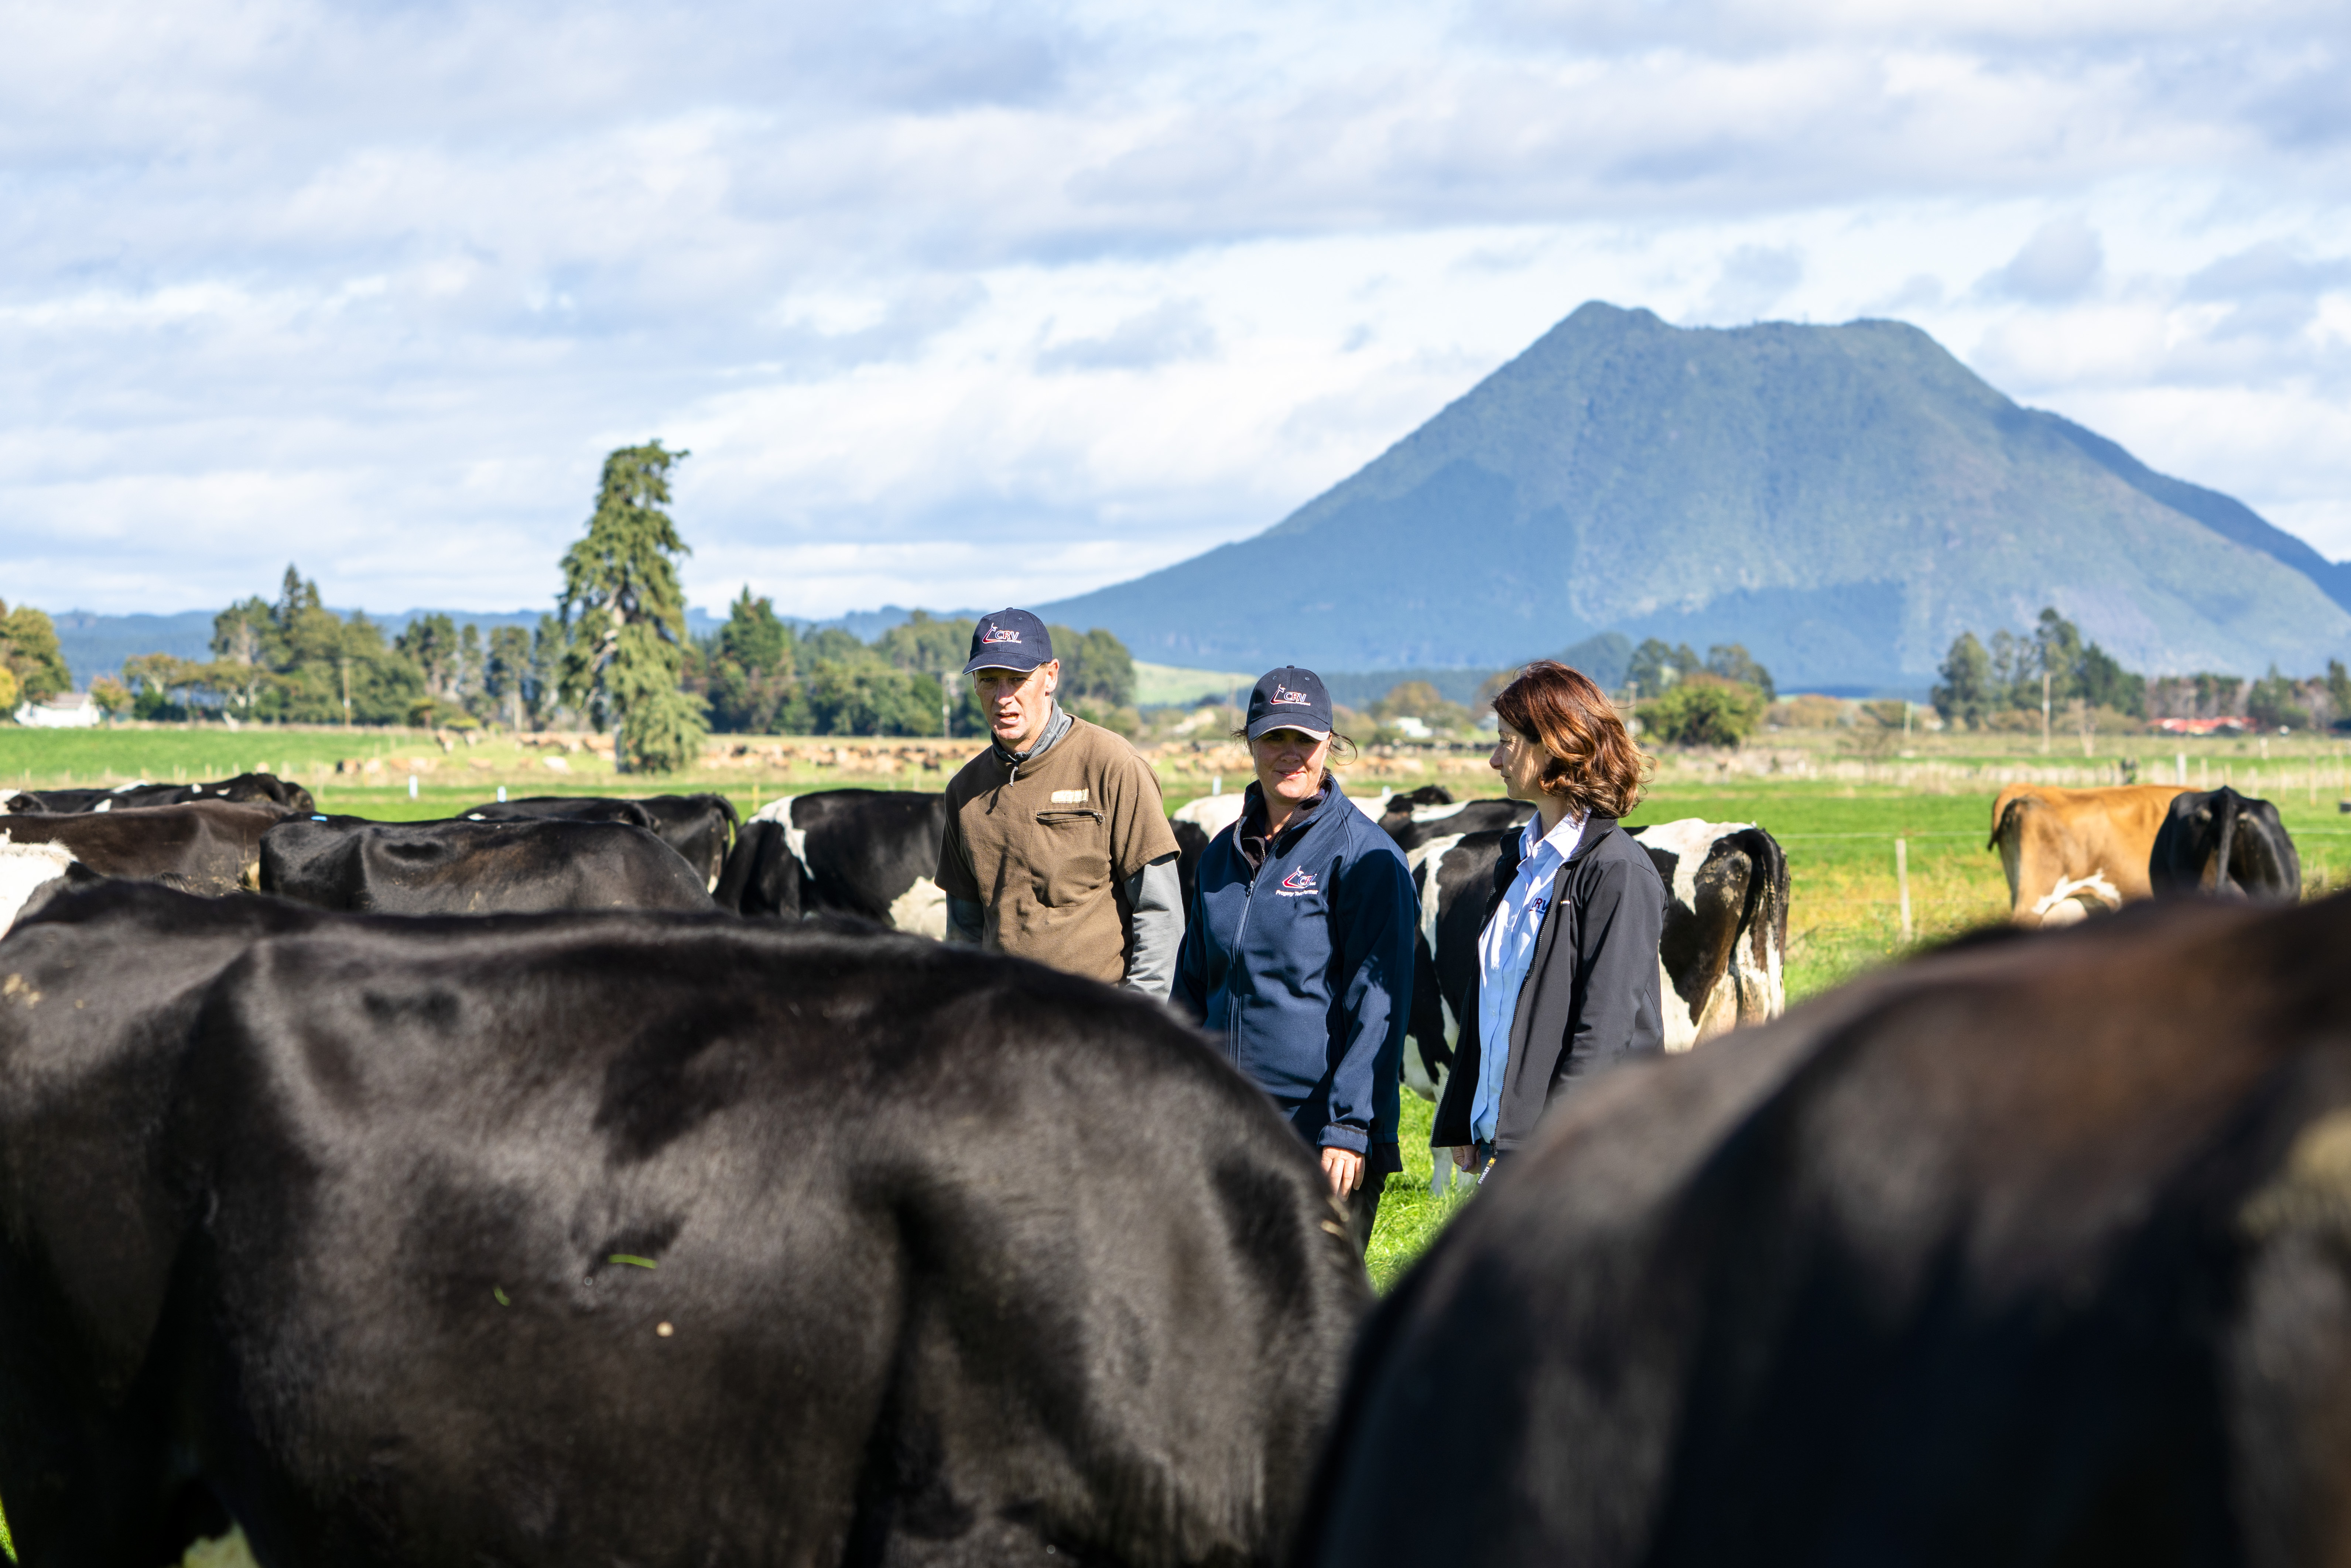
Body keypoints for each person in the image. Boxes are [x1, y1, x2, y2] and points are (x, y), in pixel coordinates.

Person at [1173, 666, 1417, 1252]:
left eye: (1304, 740)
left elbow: (1379, 1006)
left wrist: (1349, 1125)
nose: (1290, 754)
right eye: (1274, 738)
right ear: (1249, 742)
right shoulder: (1219, 858)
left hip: (1319, 1137)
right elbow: (1190, 986)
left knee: (1313, 1326)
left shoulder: (1364, 858)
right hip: (1226, 1128)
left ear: (1328, 743)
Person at [1433, 660, 1663, 1178]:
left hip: (1578, 1156)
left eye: (1506, 741)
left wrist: (1560, 1148)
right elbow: (1492, 1000)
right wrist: (1470, 1116)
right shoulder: (1518, 860)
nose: (1494, 759)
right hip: (1511, 1145)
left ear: (1555, 744)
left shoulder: (1616, 870)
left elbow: (1604, 1029)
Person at [937, 609, 1184, 994]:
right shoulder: (964, 791)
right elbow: (963, 931)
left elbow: (1160, 912)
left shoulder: (1114, 766)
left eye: (1018, 680)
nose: (1003, 698)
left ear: (1050, 675)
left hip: (1097, 1028)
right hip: (1004, 1026)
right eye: (989, 680)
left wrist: (1138, 1022)